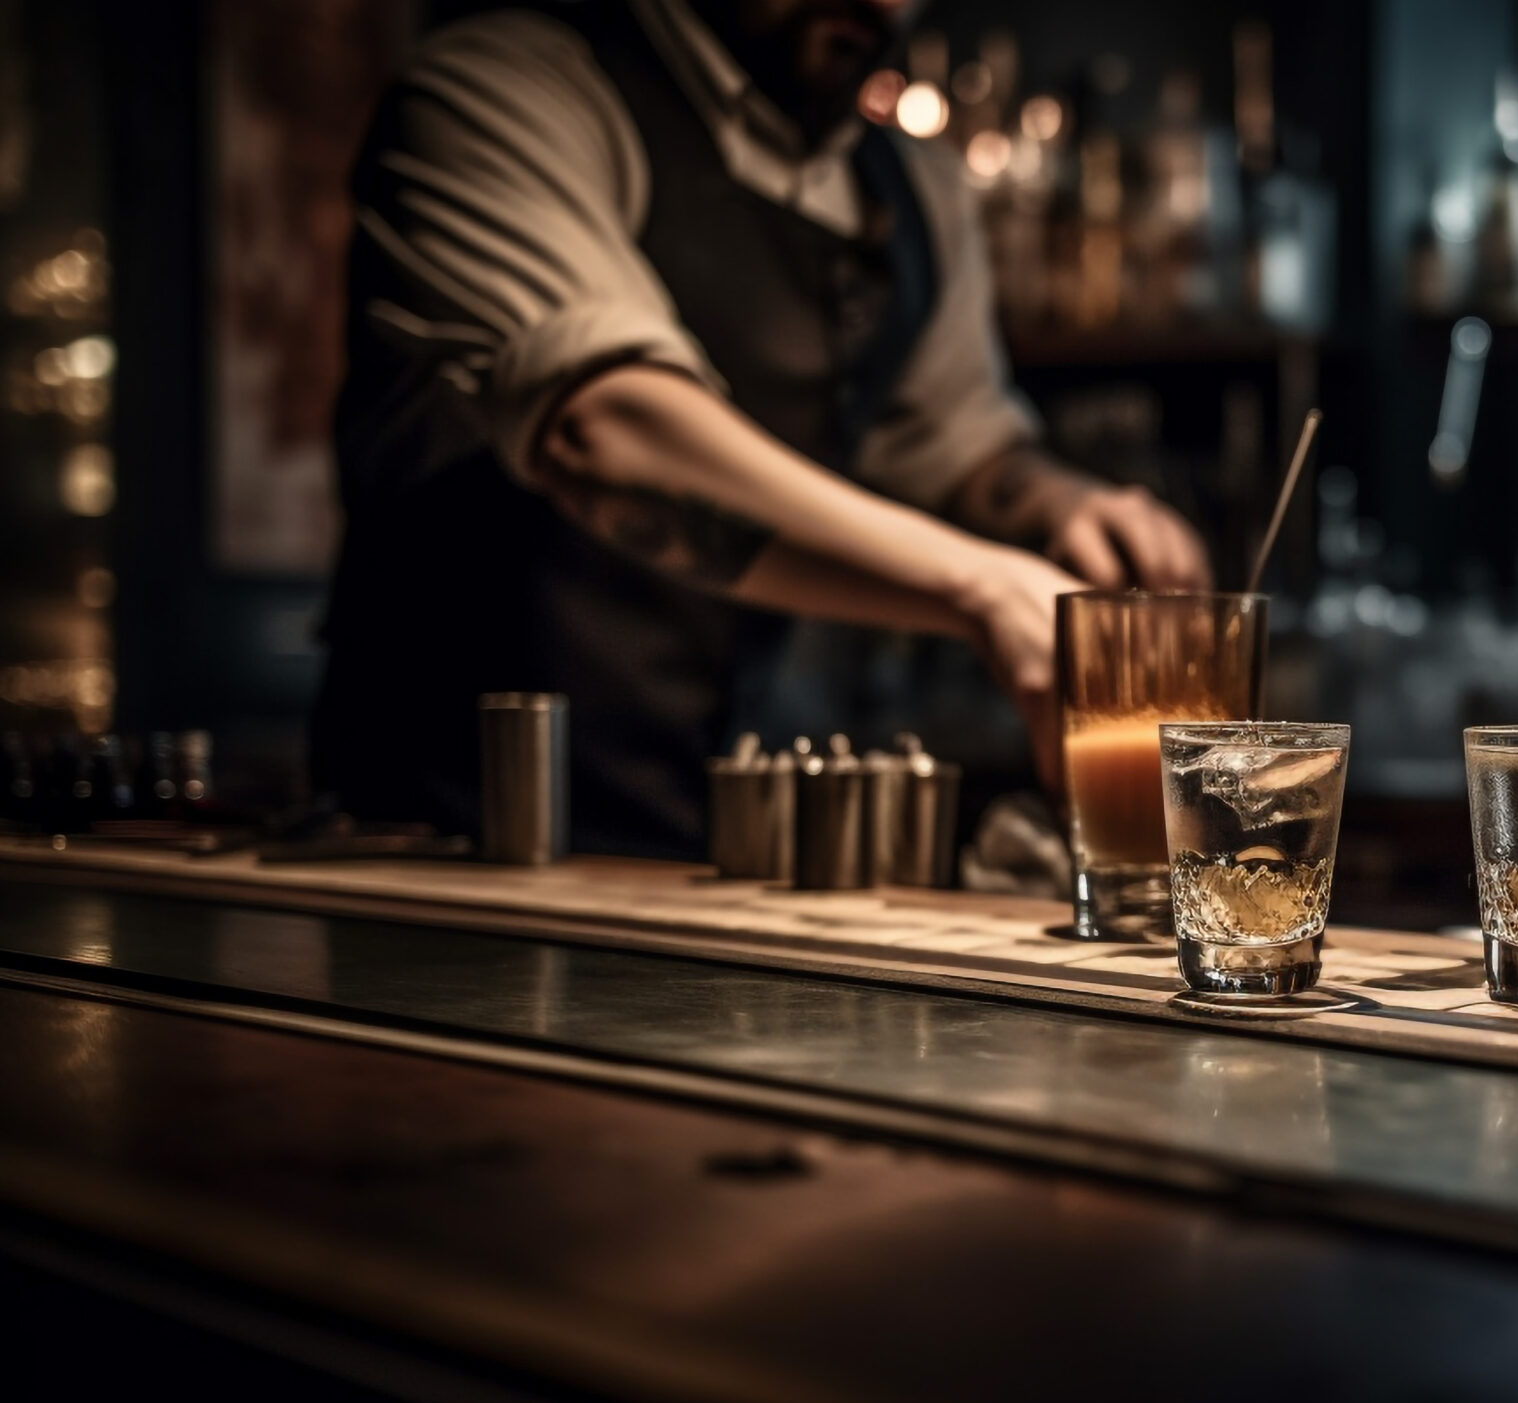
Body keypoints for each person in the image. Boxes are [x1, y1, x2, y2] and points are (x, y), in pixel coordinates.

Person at [311, 0, 1209, 857]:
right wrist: (982, 589)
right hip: (447, 840)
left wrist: (1061, 506)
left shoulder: (914, 193)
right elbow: (606, 431)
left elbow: (955, 445)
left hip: (715, 838)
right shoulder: (499, 92)